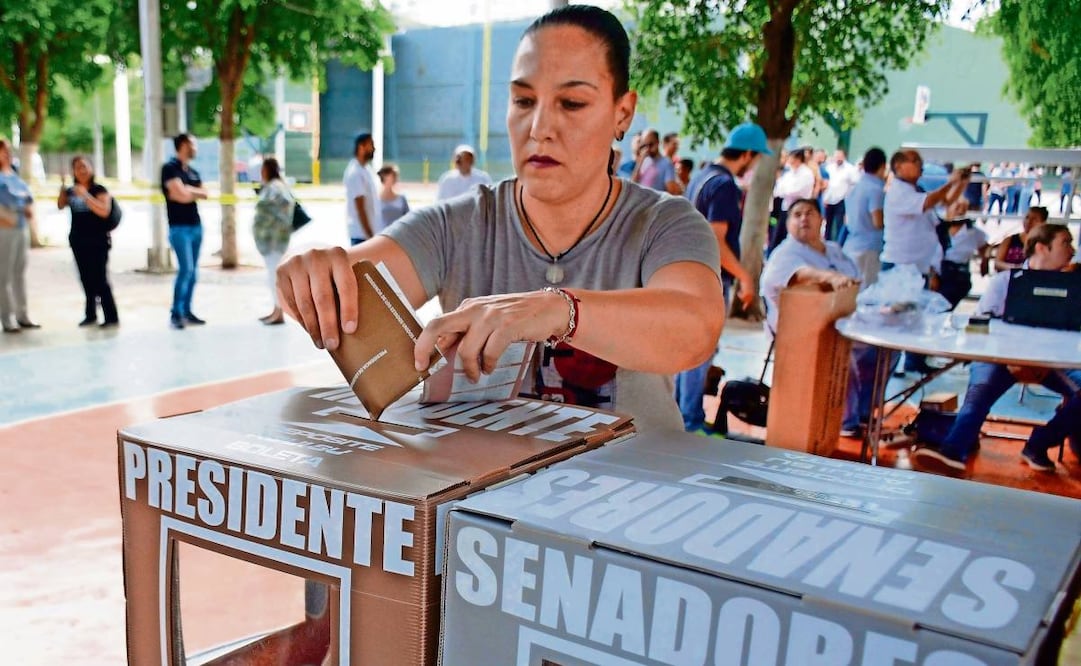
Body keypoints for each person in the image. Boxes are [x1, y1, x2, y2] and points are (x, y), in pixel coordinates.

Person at [276, 4, 724, 433]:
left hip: (631, 498)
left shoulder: (665, 223)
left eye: (571, 103)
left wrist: (556, 310)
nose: (539, 128)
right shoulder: (457, 225)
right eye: (523, 100)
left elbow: (695, 326)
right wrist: (313, 281)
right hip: (483, 503)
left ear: (622, 113)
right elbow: (352, 291)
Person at [912, 224, 1081, 473]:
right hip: (1000, 358)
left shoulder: (1074, 288)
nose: (1072, 250)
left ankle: (1039, 443)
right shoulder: (1005, 282)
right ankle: (953, 451)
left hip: (1050, 364)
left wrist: (1042, 363)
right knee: (979, 394)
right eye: (1065, 243)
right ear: (1042, 247)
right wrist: (1011, 359)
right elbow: (981, 327)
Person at [674, 121, 770, 433]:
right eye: (755, 159)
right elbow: (717, 239)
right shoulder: (725, 185)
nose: (753, 166)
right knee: (699, 350)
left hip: (687, 273)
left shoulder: (702, 175)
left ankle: (680, 415)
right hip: (708, 279)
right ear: (747, 154)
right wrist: (746, 277)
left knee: (687, 349)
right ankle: (689, 421)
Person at [760, 198, 886, 435]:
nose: (803, 219)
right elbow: (798, 274)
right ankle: (845, 420)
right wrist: (829, 277)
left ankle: (863, 410)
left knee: (883, 347)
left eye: (809, 213)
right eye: (797, 215)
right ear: (788, 223)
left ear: (821, 219)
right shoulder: (786, 252)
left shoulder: (834, 250)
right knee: (844, 352)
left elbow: (856, 282)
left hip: (843, 319)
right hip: (801, 329)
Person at [883, 149, 968, 375]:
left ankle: (913, 360)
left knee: (915, 317)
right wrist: (951, 183)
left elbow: (944, 204)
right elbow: (929, 201)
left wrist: (959, 183)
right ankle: (890, 365)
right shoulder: (898, 192)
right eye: (914, 161)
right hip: (900, 267)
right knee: (895, 321)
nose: (920, 165)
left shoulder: (915, 190)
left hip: (918, 266)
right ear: (898, 166)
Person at [57, 155, 119, 327]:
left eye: (84, 166)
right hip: (78, 240)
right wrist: (63, 186)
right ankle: (90, 313)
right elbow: (60, 205)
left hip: (98, 241)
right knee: (85, 278)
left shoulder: (99, 190)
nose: (82, 170)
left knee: (100, 278)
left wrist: (85, 196)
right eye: (77, 167)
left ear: (91, 169)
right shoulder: (71, 190)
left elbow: (104, 211)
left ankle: (111, 315)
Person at [162, 133, 209, 330]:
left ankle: (187, 311)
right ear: (182, 145)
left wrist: (186, 190)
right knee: (186, 270)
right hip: (179, 228)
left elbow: (204, 193)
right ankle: (176, 313)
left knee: (194, 272)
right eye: (192, 144)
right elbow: (178, 195)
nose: (195, 148)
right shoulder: (169, 168)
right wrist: (188, 192)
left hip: (195, 226)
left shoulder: (193, 172)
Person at [0, 136, 38, 333]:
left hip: (20, 227)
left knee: (19, 273)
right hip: (4, 229)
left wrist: (28, 209)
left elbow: (27, 196)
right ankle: (7, 319)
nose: (6, 153)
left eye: (6, 149)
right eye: (2, 150)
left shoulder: (13, 174)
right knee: (3, 275)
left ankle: (23, 315)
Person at [252, 157, 295, 326]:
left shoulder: (275, 188)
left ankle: (279, 312)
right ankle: (276, 310)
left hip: (274, 241)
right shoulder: (275, 187)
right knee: (272, 276)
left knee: (275, 277)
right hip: (272, 241)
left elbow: (277, 210)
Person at [842, 147, 887, 287]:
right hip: (869, 248)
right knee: (866, 294)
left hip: (851, 244)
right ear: (882, 166)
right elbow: (878, 222)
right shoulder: (876, 190)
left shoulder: (855, 187)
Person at [935, 197, 988, 309]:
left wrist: (985, 262)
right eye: (957, 207)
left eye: (964, 209)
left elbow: (984, 247)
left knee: (943, 305)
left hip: (957, 276)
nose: (960, 211)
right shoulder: (937, 229)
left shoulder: (973, 232)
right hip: (935, 273)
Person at [768, 148, 815, 254]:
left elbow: (796, 191)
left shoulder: (806, 174)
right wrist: (784, 191)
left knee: (794, 236)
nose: (789, 160)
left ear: (798, 159)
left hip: (799, 208)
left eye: (792, 158)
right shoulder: (789, 173)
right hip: (786, 207)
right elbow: (779, 188)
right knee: (779, 235)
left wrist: (785, 191)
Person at [343, 132, 379, 245]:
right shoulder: (355, 173)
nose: (374, 148)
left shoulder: (366, 169)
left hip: (368, 234)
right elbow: (360, 207)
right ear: (361, 146)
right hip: (361, 235)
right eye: (371, 144)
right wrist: (370, 235)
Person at [995, 205, 1047, 272]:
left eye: (1034, 219)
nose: (1029, 222)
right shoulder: (1010, 240)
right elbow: (997, 263)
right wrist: (1015, 267)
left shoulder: (1046, 243)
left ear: (1043, 223)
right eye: (1027, 217)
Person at [822, 149, 859, 241]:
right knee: (828, 223)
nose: (838, 158)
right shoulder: (829, 168)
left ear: (844, 156)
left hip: (842, 199)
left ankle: (838, 243)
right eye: (836, 156)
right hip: (829, 199)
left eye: (840, 156)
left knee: (839, 223)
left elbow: (855, 184)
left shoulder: (850, 169)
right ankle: (827, 242)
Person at [631, 128, 682, 195]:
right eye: (644, 145)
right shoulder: (644, 161)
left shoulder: (666, 163)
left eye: (651, 144)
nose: (648, 149)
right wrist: (640, 162)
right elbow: (633, 183)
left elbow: (672, 191)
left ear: (658, 142)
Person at [377, 163, 410, 230]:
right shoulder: (376, 200)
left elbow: (409, 219)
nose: (396, 177)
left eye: (396, 175)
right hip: (381, 236)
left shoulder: (402, 198)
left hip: (399, 236)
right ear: (384, 176)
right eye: (393, 175)